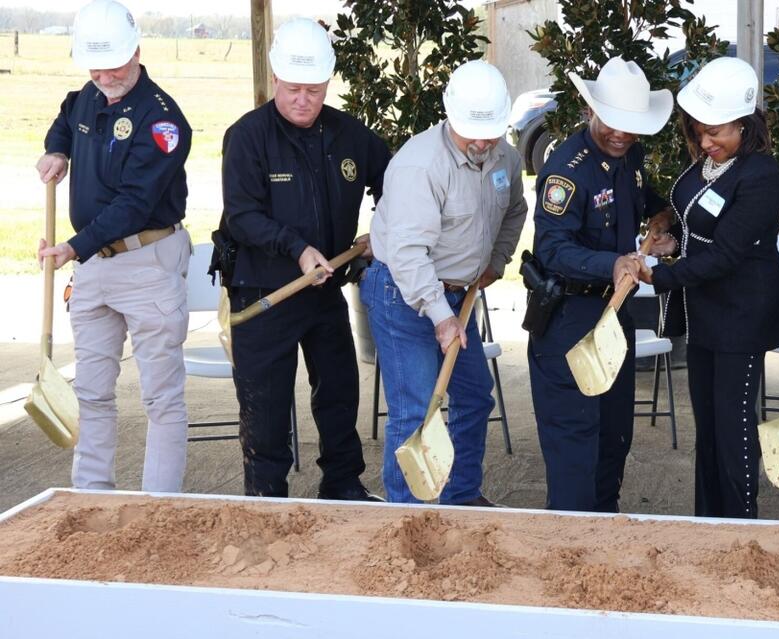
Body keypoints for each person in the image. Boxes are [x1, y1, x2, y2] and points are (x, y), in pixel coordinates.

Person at [217, 18, 391, 500]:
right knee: (266, 408)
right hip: (264, 293)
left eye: (314, 90)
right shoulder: (247, 137)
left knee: (338, 391)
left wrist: (386, 227)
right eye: (293, 89)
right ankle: (267, 500)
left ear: (327, 83)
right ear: (275, 79)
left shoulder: (349, 135)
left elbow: (397, 179)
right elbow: (243, 215)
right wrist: (296, 249)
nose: (303, 99)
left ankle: (342, 485)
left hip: (325, 289)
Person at [35, 0, 193, 492]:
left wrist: (73, 247)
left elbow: (134, 203)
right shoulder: (89, 93)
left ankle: (159, 510)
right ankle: (91, 498)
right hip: (94, 266)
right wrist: (57, 147)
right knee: (92, 392)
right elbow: (67, 113)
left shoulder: (164, 122)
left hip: (146, 260)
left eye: (114, 65)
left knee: (161, 398)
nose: (103, 76)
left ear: (138, 52)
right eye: (95, 66)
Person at [363, 60, 527, 505]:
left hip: (459, 295)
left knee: (474, 398)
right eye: (471, 131)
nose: (480, 142)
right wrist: (440, 316)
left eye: (490, 131)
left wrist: (496, 260)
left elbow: (514, 209)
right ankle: (408, 520)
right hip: (401, 293)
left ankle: (461, 498)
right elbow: (408, 255)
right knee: (416, 411)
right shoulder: (420, 166)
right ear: (450, 116)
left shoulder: (504, 157)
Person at [637, 57, 779, 519]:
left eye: (716, 132)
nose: (705, 142)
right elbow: (695, 224)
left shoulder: (762, 176)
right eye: (699, 131)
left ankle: (741, 525)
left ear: (745, 124)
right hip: (704, 310)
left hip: (741, 315)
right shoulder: (709, 163)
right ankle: (708, 521)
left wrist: (660, 276)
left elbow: (725, 254)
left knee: (734, 425)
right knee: (708, 425)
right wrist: (669, 237)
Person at [527, 57, 674, 513]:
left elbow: (639, 195)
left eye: (630, 126)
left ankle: (604, 533)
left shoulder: (630, 154)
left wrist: (661, 213)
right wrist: (612, 262)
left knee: (615, 434)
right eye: (612, 122)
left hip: (616, 314)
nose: (620, 134)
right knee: (575, 444)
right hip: (570, 317)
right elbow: (552, 247)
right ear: (590, 110)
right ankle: (571, 547)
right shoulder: (566, 170)